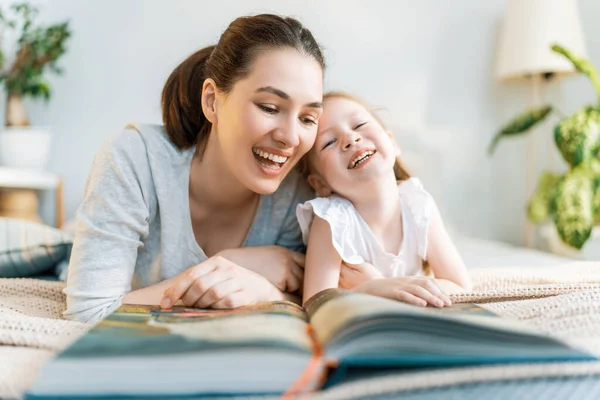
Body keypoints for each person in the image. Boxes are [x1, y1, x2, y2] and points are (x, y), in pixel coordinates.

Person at [63, 14, 326, 324]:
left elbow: (310, 304)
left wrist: (267, 293)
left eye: (308, 119)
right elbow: (86, 313)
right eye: (269, 108)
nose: (290, 137)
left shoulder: (297, 194)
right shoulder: (136, 158)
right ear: (212, 101)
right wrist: (224, 265)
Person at [297, 92, 473, 306]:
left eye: (359, 124)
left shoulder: (417, 205)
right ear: (320, 184)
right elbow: (315, 302)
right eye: (329, 142)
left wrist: (380, 284)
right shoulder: (332, 220)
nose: (350, 139)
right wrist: (376, 287)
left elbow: (461, 287)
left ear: (392, 143)